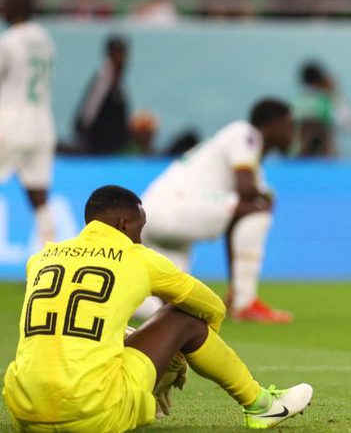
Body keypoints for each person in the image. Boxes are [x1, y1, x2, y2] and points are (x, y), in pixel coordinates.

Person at [1, 185, 312, 431]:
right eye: (140, 227)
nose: (140, 236)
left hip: (25, 413)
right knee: (183, 317)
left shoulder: (42, 258)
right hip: (91, 414)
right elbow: (212, 308)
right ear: (124, 224)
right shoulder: (138, 257)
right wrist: (178, 355)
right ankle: (261, 405)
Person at [136, 99, 296, 323]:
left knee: (162, 304)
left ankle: (240, 298)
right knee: (257, 209)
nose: (293, 132)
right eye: (289, 125)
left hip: (151, 213)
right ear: (273, 124)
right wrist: (266, 197)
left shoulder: (247, 158)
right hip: (175, 207)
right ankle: (245, 301)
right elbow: (246, 191)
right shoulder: (246, 133)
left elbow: (236, 220)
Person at [0, 0, 56, 248]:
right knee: (40, 196)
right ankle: (51, 252)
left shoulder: (9, 40)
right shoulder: (44, 38)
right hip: (42, 124)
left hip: (11, 121)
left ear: (15, 8)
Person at [73, 35, 131, 154]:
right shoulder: (104, 78)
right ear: (109, 54)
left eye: (123, 53)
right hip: (100, 148)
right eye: (117, 53)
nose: (121, 58)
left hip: (112, 147)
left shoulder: (117, 78)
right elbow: (88, 113)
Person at [294, 61, 351, 157]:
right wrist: (334, 93)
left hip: (300, 156)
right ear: (322, 80)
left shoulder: (296, 102)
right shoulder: (328, 102)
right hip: (324, 156)